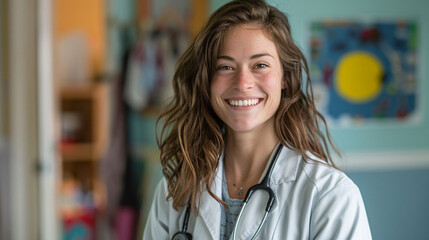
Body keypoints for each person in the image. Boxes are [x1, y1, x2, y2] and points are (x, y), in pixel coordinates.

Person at [143, 0, 372, 239]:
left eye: (260, 65)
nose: (243, 83)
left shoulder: (329, 195)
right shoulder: (176, 191)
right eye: (225, 67)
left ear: (285, 77)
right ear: (206, 81)